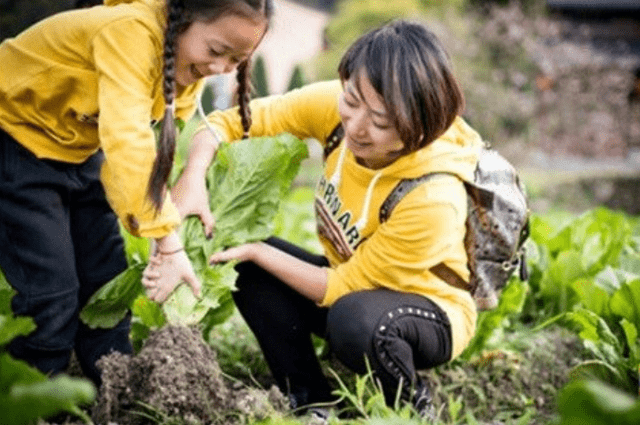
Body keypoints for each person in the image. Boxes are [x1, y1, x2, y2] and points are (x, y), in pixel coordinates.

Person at [156, 19, 483, 418]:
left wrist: (261, 250)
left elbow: (342, 287)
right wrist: (192, 179)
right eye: (352, 100)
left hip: (427, 313)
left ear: (418, 127)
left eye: (380, 122)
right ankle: (309, 398)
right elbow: (229, 123)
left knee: (356, 322)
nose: (356, 126)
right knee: (238, 259)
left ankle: (409, 403)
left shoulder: (433, 197)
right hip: (351, 291)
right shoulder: (341, 106)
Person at [0, 0, 272, 387]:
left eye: (236, 60)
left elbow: (153, 150)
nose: (218, 68)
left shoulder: (184, 69)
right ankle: (33, 397)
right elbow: (126, 139)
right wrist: (168, 243)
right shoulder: (129, 31)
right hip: (15, 139)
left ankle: (117, 390)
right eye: (214, 51)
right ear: (183, 19)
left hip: (78, 148)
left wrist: (170, 212)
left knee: (106, 281)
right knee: (51, 294)